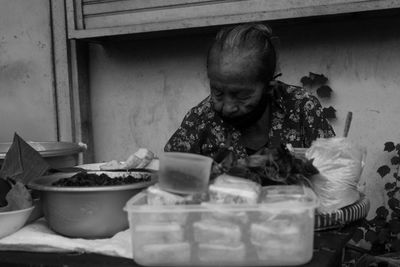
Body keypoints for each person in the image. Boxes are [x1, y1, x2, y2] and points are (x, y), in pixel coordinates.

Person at [165, 23, 335, 160]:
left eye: (241, 96)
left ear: (269, 87)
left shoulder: (302, 108)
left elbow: (334, 171)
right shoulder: (200, 120)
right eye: (217, 92)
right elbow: (171, 177)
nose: (227, 107)